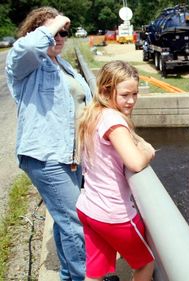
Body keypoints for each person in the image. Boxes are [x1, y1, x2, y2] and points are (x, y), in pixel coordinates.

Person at [5, 6, 91, 281]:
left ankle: (68, 274)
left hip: (71, 155)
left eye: (63, 32)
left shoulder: (63, 66)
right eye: (53, 31)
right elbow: (26, 48)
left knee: (65, 219)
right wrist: (56, 22)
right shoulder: (27, 65)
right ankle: (83, 276)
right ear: (35, 32)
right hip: (45, 156)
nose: (59, 36)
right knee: (76, 220)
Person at [76, 60, 156, 281]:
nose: (131, 101)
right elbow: (136, 163)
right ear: (105, 91)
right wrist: (148, 150)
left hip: (88, 207)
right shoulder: (113, 120)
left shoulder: (93, 113)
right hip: (114, 214)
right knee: (146, 264)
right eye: (125, 95)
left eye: (135, 94)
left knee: (95, 272)